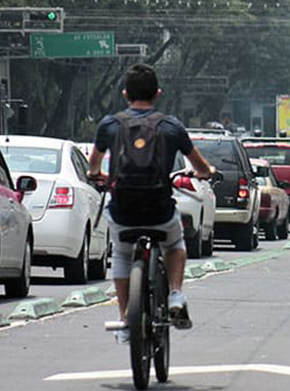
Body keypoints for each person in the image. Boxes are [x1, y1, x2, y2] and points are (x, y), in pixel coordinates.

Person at [87, 63, 213, 343]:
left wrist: (98, 175)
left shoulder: (109, 125)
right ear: (158, 94)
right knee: (175, 245)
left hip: (124, 211)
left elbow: (93, 166)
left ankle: (125, 320)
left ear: (124, 94)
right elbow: (200, 166)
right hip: (159, 209)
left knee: (121, 254)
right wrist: (205, 173)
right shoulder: (171, 126)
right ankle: (176, 295)